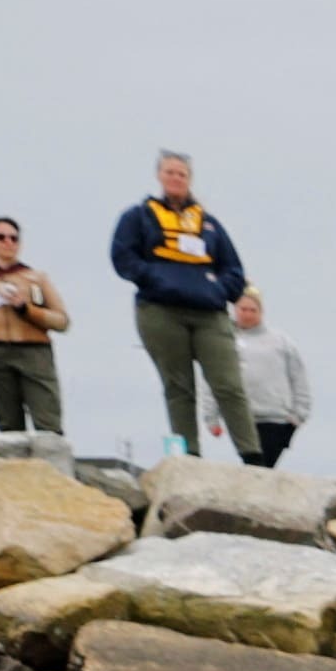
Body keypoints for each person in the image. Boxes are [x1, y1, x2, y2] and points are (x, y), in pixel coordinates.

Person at [107, 150, 254, 457]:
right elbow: (123, 256)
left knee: (228, 384)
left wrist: (218, 290)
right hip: (160, 310)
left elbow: (234, 269)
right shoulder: (138, 216)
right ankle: (189, 455)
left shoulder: (208, 223)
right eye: (170, 172)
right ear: (160, 176)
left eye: (182, 174)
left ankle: (253, 456)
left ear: (190, 179)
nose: (176, 178)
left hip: (209, 312)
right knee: (178, 386)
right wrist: (153, 277)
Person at [0, 216, 71, 436]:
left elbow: (62, 321)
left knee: (48, 422)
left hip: (34, 351)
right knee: (8, 425)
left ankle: (51, 467)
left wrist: (26, 309)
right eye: (1, 237)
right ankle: (15, 468)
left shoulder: (36, 278)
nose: (8, 242)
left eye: (14, 238)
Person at [224, 290, 311, 465]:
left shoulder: (281, 342)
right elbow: (213, 380)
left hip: (276, 418)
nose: (247, 314)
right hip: (242, 418)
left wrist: (298, 415)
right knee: (253, 466)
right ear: (235, 310)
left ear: (261, 312)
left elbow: (299, 378)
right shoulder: (225, 341)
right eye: (243, 309)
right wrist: (211, 417)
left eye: (252, 310)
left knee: (264, 467)